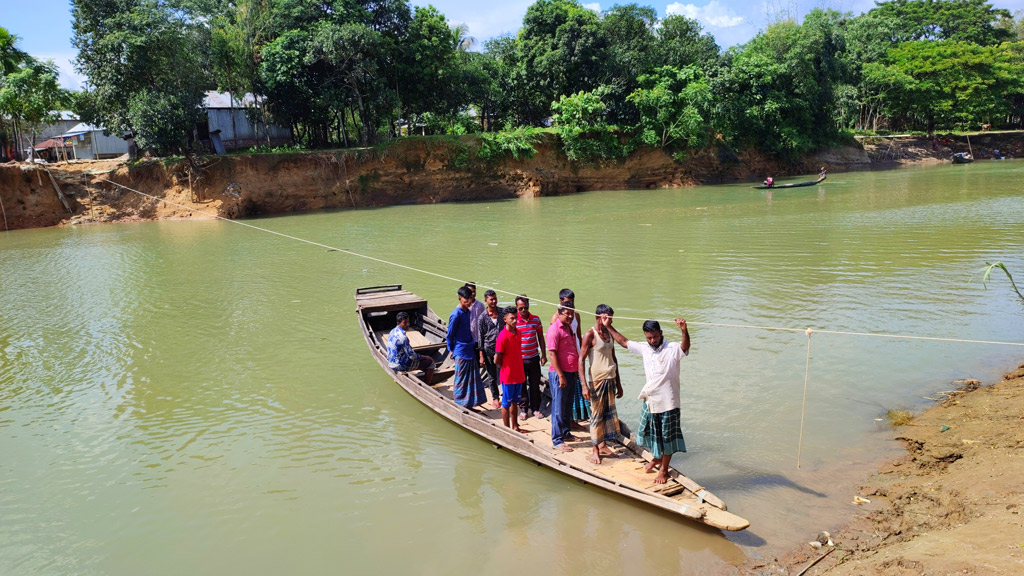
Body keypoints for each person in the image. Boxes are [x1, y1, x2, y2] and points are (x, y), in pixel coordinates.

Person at [608, 318, 690, 484]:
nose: (652, 341)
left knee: (667, 437)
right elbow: (624, 342)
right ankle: (657, 458)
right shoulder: (645, 348)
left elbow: (685, 347)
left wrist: (683, 330)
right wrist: (608, 325)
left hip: (668, 402)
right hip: (651, 400)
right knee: (651, 433)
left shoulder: (672, 348)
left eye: (655, 337)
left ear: (660, 333)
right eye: (649, 338)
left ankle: (663, 470)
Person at [578, 304, 623, 465]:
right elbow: (581, 360)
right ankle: (595, 449)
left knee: (607, 413)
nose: (609, 320)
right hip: (596, 381)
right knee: (596, 415)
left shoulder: (609, 334)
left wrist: (619, 382)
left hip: (610, 378)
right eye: (607, 317)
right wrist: (584, 385)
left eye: (611, 317)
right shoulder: (590, 334)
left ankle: (603, 444)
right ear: (598, 317)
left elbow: (614, 358)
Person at [549, 289, 589, 427]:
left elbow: (578, 336)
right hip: (563, 364)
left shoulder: (576, 316)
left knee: (572, 394)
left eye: (572, 302)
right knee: (562, 399)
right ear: (561, 302)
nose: (570, 304)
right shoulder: (555, 320)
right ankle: (561, 429)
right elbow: (554, 347)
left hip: (575, 359)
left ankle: (570, 421)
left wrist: (581, 357)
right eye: (567, 302)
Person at [547, 303, 581, 452]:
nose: (570, 316)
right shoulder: (554, 330)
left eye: (572, 313)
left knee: (567, 405)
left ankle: (566, 433)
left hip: (571, 372)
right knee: (558, 407)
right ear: (559, 313)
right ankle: (557, 439)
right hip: (559, 373)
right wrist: (561, 375)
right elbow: (552, 354)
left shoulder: (569, 328)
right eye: (567, 313)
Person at [447, 286, 487, 408]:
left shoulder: (467, 312)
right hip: (461, 350)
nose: (469, 302)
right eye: (466, 300)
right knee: (461, 380)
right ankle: (459, 404)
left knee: (471, 379)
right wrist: (451, 350)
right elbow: (450, 335)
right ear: (460, 299)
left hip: (469, 349)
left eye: (470, 299)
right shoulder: (456, 314)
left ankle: (469, 404)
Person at [495, 305, 526, 432]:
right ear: (505, 319)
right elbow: (497, 359)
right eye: (512, 318)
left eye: (516, 318)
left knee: (515, 402)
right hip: (508, 377)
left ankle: (515, 425)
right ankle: (506, 429)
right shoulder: (502, 337)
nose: (515, 321)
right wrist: (505, 367)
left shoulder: (518, 333)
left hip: (519, 374)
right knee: (506, 404)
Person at [516, 295, 546, 421]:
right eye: (521, 308)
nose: (524, 310)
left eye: (526, 307)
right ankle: (523, 409)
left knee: (535, 384)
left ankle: (535, 408)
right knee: (521, 385)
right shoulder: (514, 321)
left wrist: (544, 354)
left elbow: (540, 338)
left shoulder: (536, 320)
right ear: (517, 308)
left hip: (533, 357)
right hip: (520, 359)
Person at [386, 311, 435, 385]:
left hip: (390, 362)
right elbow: (412, 356)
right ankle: (428, 384)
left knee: (420, 359)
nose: (408, 324)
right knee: (431, 363)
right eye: (404, 322)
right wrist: (425, 357)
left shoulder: (392, 331)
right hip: (399, 365)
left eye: (408, 322)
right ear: (398, 323)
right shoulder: (403, 337)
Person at [477, 289, 503, 409]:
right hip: (489, 350)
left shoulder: (503, 313)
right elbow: (480, 337)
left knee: (505, 372)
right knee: (492, 376)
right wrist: (481, 355)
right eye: (491, 299)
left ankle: (507, 395)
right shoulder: (482, 317)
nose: (494, 301)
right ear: (486, 301)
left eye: (495, 298)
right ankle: (495, 397)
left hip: (503, 350)